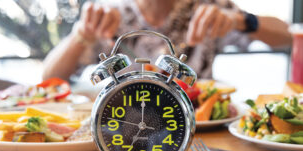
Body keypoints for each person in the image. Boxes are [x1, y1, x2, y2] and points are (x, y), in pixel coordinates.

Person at [43, 0, 292, 81]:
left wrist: (241, 19)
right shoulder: (109, 12)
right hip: (123, 128)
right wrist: (81, 35)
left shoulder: (208, 8)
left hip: (201, 132)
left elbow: (287, 38)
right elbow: (49, 78)